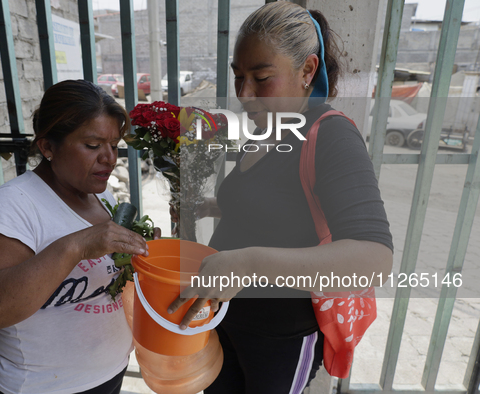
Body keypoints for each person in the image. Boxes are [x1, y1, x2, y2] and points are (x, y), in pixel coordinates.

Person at [168, 2, 394, 393]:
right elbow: (279, 205)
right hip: (222, 320)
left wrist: (248, 264)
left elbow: (374, 260)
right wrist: (213, 206)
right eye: (239, 77)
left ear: (307, 70)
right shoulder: (267, 128)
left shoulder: (332, 137)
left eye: (261, 78)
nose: (245, 94)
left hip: (280, 338)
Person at [0, 80, 158, 394]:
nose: (109, 158)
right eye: (93, 146)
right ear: (48, 147)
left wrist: (134, 252)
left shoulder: (99, 193)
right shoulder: (13, 206)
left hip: (108, 375)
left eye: (113, 144)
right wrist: (76, 246)